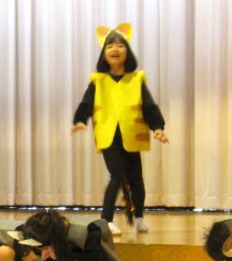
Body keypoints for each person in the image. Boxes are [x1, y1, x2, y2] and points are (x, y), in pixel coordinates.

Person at [72, 23, 169, 235]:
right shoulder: (98, 81)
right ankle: (106, 219)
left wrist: (157, 127)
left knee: (136, 179)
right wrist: (80, 120)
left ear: (127, 51)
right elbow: (87, 103)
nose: (115, 49)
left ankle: (139, 216)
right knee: (117, 175)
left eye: (119, 45)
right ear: (104, 53)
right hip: (108, 136)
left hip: (132, 135)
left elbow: (149, 105)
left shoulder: (136, 80)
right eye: (110, 46)